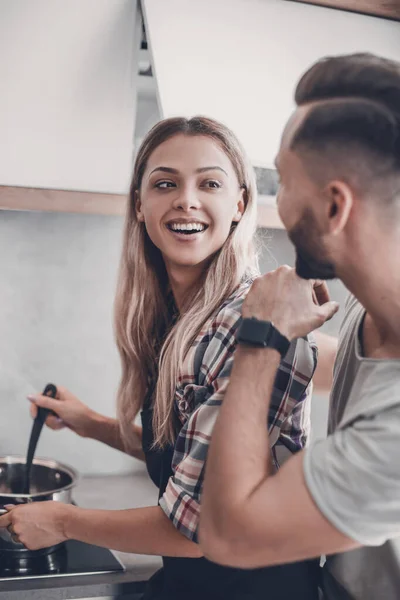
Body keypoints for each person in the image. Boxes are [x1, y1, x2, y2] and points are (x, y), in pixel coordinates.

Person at [0, 116, 320, 599]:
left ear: (239, 204)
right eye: (165, 183)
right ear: (140, 205)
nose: (186, 199)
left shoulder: (251, 324)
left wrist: (62, 521)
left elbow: (198, 527)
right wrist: (92, 424)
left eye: (209, 183)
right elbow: (194, 457)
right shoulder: (176, 320)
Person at [200, 53, 400, 600]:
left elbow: (227, 534)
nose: (276, 203)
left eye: (283, 181)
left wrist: (259, 338)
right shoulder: (375, 311)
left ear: (335, 207)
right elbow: (355, 372)